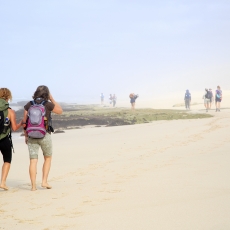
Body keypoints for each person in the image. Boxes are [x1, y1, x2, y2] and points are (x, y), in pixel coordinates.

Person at [22, 86, 62, 191]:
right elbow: (60, 111)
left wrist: (26, 135)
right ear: (47, 94)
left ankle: (33, 186)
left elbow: (24, 122)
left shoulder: (29, 104)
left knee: (33, 161)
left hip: (31, 135)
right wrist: (52, 99)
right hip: (45, 135)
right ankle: (44, 181)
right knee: (47, 158)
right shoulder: (47, 104)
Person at [0, 88, 22, 190]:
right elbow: (14, 128)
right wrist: (21, 123)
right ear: (8, 97)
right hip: (4, 139)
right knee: (7, 160)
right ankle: (3, 182)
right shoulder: (10, 111)